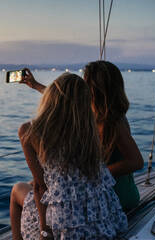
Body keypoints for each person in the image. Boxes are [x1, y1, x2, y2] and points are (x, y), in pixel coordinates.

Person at [10, 73, 127, 240]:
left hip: (65, 227)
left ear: (51, 96)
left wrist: (45, 230)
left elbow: (40, 187)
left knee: (17, 190)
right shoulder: (89, 128)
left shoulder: (29, 131)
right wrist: (36, 85)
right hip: (102, 225)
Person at [20, 61, 144, 211]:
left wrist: (93, 174)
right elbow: (63, 100)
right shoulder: (91, 114)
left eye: (85, 80)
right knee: (36, 184)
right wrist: (35, 85)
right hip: (105, 193)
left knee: (27, 189)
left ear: (95, 87)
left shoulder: (112, 121)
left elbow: (136, 162)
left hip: (114, 198)